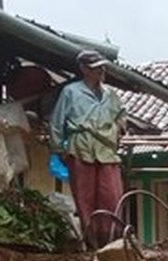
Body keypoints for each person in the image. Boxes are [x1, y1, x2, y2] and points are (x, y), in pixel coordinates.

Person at [49, 49, 126, 248]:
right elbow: (57, 122)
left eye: (102, 67)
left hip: (106, 149)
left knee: (111, 196)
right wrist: (59, 149)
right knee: (85, 198)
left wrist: (118, 129)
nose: (100, 71)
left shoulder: (110, 94)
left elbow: (121, 115)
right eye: (95, 68)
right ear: (84, 69)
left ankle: (113, 242)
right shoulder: (71, 92)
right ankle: (93, 243)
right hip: (81, 147)